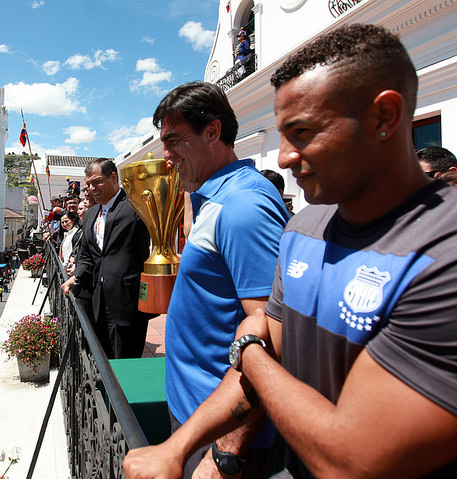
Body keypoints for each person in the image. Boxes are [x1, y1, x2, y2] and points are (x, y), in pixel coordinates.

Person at [124, 24, 457, 479]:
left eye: (302, 132)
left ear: (384, 117)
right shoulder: (306, 227)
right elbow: (264, 335)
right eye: (281, 134)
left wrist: (248, 362)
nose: (283, 158)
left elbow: (349, 460)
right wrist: (178, 446)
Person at [153, 81, 289, 477]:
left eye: (174, 141)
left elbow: (270, 335)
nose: (166, 156)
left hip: (225, 437)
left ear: (213, 132)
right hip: (198, 416)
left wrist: (225, 454)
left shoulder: (244, 206)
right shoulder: (214, 196)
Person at [61, 158, 155, 359]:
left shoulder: (136, 206)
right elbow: (86, 255)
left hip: (128, 302)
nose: (92, 188)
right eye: (88, 184)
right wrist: (75, 275)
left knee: (127, 363)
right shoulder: (91, 213)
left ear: (113, 177)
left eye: (96, 182)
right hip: (97, 300)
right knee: (103, 358)